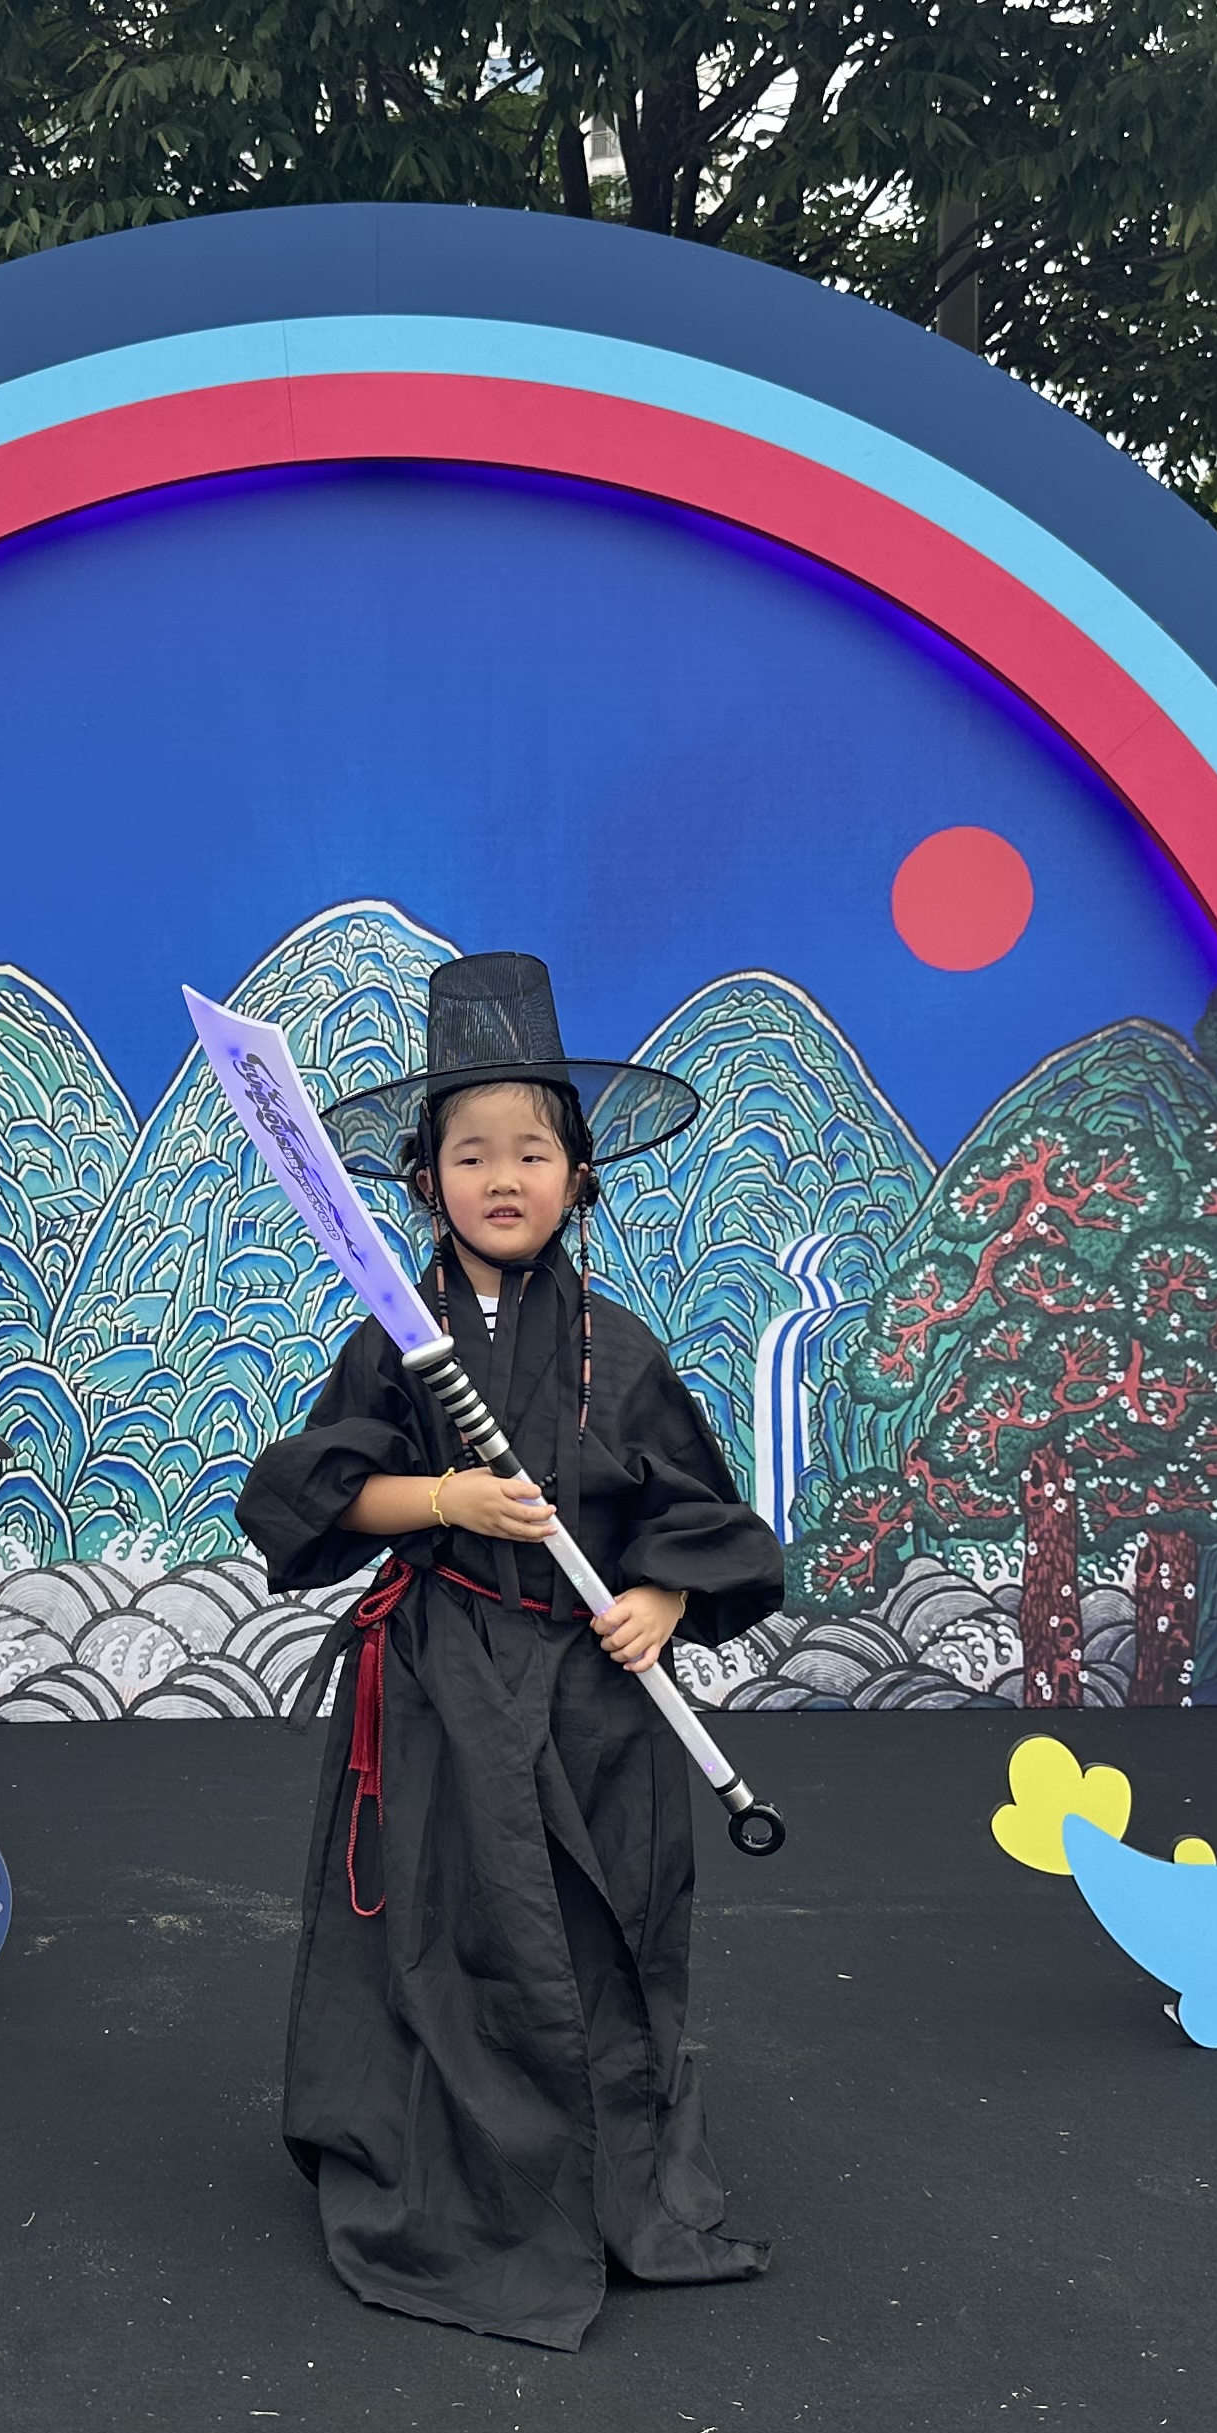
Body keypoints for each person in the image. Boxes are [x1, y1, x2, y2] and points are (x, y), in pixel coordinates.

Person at [238, 950, 784, 2348]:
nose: (502, 1177)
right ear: (426, 1182)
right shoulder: (395, 1340)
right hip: (442, 1677)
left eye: (531, 1152)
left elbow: (703, 1520)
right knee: (448, 1930)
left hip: (595, 1691)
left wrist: (661, 1601)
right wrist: (447, 1499)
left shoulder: (622, 1348)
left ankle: (605, 2190)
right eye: (470, 1153)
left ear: (578, 1177)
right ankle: (453, 2188)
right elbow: (310, 1499)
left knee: (604, 1927)